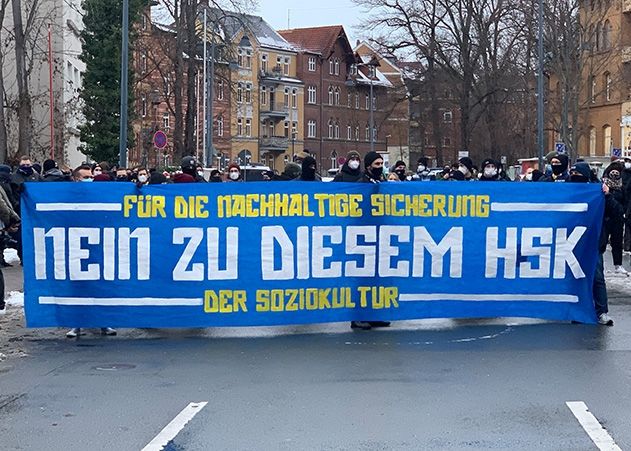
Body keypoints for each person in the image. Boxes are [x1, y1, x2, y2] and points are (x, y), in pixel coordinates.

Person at [66, 164, 117, 337]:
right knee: (78, 286)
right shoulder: (66, 195)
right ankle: (76, 323)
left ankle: (104, 322)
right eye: (85, 177)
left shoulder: (99, 194)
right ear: (75, 179)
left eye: (91, 176)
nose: (90, 179)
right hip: (76, 246)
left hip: (98, 245)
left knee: (100, 285)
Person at [568, 162, 616, 325]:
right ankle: (578, 311)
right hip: (570, 243)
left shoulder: (598, 192)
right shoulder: (565, 191)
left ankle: (601, 312)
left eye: (578, 174)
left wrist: (607, 195)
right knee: (574, 277)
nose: (575, 178)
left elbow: (616, 212)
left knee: (596, 278)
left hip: (593, 242)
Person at [349, 151, 390, 330]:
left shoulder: (382, 183)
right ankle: (357, 316)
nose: (380, 167)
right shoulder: (362, 184)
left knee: (376, 278)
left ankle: (373, 314)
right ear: (368, 166)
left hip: (380, 235)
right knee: (361, 279)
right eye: (376, 165)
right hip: (363, 237)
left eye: (381, 164)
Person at [601, 162, 628, 274]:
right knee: (601, 243)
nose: (614, 174)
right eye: (612, 172)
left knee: (617, 242)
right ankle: (600, 265)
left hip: (617, 218)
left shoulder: (622, 187)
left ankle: (618, 265)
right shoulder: (602, 186)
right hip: (604, 218)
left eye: (617, 172)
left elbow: (625, 202)